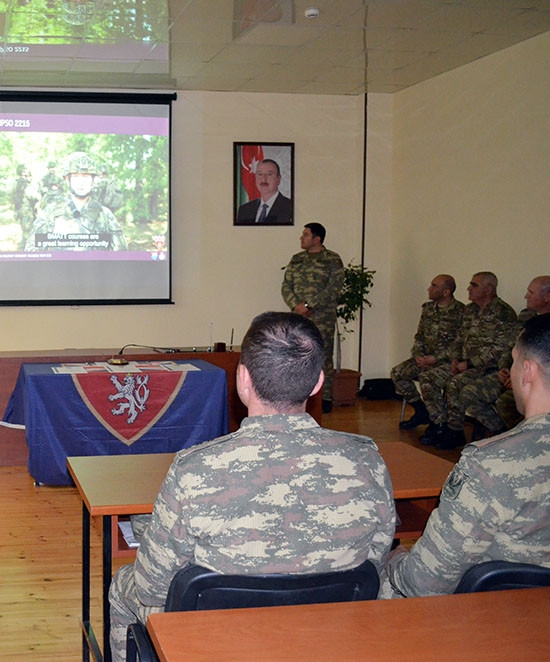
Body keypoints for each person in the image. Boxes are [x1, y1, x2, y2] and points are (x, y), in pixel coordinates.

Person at [108, 312, 396, 662]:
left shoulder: (195, 469)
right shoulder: (367, 461)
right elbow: (375, 561)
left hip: (216, 637)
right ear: (318, 382)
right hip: (325, 628)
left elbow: (150, 586)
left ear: (242, 379)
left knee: (122, 585)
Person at [382, 313, 550, 598]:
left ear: (527, 372)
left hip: (495, 611)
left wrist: (394, 559)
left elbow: (423, 583)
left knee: (385, 580)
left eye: (513, 361)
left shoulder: (492, 464)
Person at [418, 272, 517, 449]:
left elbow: (501, 350)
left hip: (489, 369)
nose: (468, 288)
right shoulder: (470, 310)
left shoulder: (503, 313)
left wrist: (469, 364)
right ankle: (440, 426)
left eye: (474, 285)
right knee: (428, 378)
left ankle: (457, 432)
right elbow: (458, 338)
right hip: (463, 364)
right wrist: (455, 359)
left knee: (455, 384)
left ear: (488, 289)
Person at [478, 276, 550, 432]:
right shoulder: (526, 316)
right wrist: (506, 369)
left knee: (506, 402)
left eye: (531, 292)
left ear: (547, 297)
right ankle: (507, 435)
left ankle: (527, 435)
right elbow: (512, 346)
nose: (526, 296)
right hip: (518, 372)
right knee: (471, 393)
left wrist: (520, 377)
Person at [280, 222, 345, 412]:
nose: (302, 238)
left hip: (322, 318)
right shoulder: (297, 259)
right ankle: (300, 396)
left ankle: (325, 398)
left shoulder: (332, 259)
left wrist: (309, 305)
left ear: (317, 239)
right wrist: (296, 306)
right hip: (299, 318)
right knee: (298, 355)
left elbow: (334, 288)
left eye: (306, 235)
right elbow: (286, 286)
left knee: (323, 356)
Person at [390, 274, 465, 429]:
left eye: (434, 286)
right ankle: (421, 411)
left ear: (446, 292)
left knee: (428, 380)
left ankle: (439, 424)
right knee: (397, 373)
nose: (429, 289)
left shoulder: (461, 312)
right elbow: (420, 336)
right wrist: (418, 355)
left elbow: (460, 343)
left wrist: (435, 358)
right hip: (425, 359)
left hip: (447, 362)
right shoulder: (428, 309)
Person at [25, 151, 127, 251]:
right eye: (76, 176)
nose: (81, 182)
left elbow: (120, 254)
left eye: (85, 176)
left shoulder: (105, 215)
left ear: (93, 180)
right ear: (67, 180)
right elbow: (32, 251)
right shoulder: (51, 212)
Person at [235, 158, 294, 225]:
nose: (263, 179)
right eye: (260, 174)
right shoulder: (244, 210)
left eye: (269, 174)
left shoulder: (291, 207)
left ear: (278, 179)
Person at [11, 164, 38, 248]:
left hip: (19, 209)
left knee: (25, 230)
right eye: (25, 170)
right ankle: (26, 249)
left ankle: (24, 246)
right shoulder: (25, 184)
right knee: (28, 232)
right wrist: (39, 195)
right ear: (22, 172)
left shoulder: (15, 183)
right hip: (27, 211)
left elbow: (11, 196)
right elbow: (34, 196)